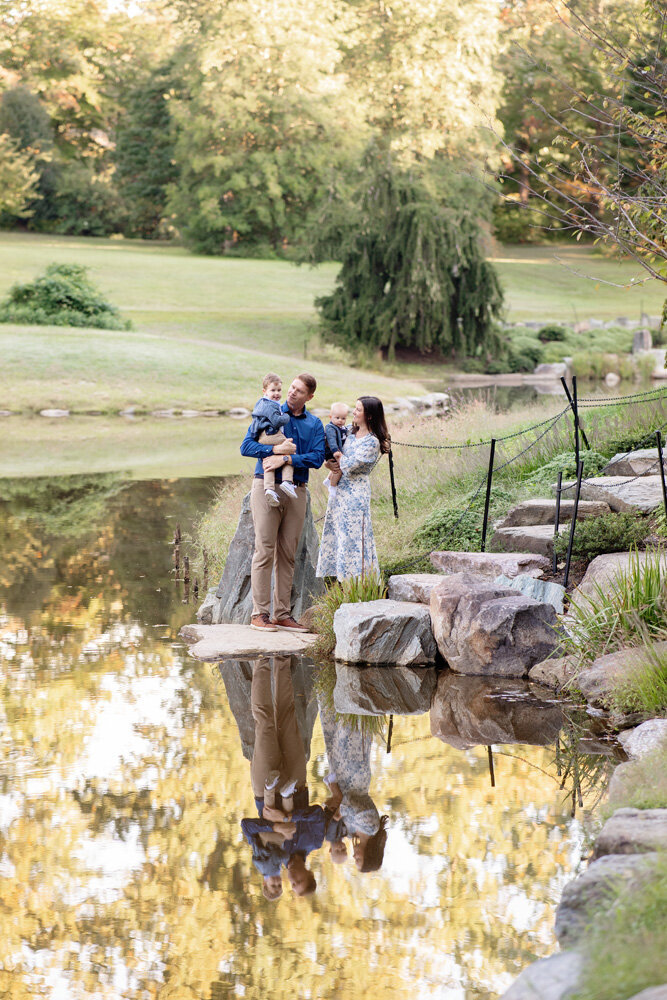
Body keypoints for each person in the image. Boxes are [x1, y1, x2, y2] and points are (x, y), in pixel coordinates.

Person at [240, 373, 325, 632]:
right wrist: (274, 451)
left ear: (309, 396)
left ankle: (282, 614)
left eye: (299, 391)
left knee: (288, 554)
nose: (291, 393)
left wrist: (288, 461)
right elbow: (246, 446)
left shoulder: (315, 424)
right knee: (264, 550)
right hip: (265, 486)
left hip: (296, 490)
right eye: (291, 387)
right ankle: (259, 615)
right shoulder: (269, 410)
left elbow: (317, 457)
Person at [240, 655, 325, 898]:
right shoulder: (314, 841)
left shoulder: (274, 857)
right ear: (309, 874)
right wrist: (289, 815)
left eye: (292, 884)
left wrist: (275, 824)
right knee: (288, 717)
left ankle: (261, 661)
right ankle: (281, 659)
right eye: (299, 881)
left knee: (265, 723)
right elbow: (317, 813)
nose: (292, 879)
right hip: (296, 783)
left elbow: (247, 827)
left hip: (264, 787)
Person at [316, 395, 390, 582]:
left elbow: (350, 465)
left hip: (356, 494)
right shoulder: (349, 431)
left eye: (358, 410)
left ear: (370, 416)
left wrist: (338, 456)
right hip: (339, 491)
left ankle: (357, 582)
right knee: (339, 535)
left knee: (353, 538)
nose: (353, 412)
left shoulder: (371, 441)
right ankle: (340, 581)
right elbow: (330, 445)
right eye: (355, 408)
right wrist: (329, 463)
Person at [318, 698, 389, 873]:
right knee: (347, 719)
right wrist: (337, 803)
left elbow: (335, 807)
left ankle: (325, 677)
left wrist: (334, 805)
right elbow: (348, 802)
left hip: (339, 772)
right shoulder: (371, 827)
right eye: (358, 859)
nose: (354, 856)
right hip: (354, 769)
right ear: (370, 853)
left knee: (329, 718)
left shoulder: (350, 833)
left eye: (354, 860)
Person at [248, 373, 297, 507]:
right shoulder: (269, 404)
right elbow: (276, 421)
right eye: (273, 390)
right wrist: (286, 417)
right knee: (289, 450)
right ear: (264, 391)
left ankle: (269, 489)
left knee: (268, 461)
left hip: (263, 437)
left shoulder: (262, 403)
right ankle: (287, 481)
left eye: (279, 390)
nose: (276, 393)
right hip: (271, 435)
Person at [323, 401, 349, 497]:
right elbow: (331, 440)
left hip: (336, 451)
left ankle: (328, 480)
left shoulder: (342, 427)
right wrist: (335, 451)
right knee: (339, 469)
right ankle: (332, 486)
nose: (340, 421)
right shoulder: (330, 428)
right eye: (337, 418)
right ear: (330, 417)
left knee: (335, 467)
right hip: (331, 451)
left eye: (343, 418)